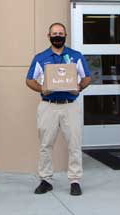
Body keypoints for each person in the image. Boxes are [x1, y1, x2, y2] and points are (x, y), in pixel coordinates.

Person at [25, 22, 91, 196]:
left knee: (74, 144)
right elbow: (30, 80)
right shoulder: (40, 57)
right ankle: (45, 180)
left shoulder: (76, 56)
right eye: (54, 33)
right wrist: (41, 89)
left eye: (61, 33)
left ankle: (75, 180)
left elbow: (87, 78)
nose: (58, 36)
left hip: (70, 106)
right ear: (49, 36)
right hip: (48, 106)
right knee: (45, 145)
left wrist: (79, 87)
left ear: (66, 35)